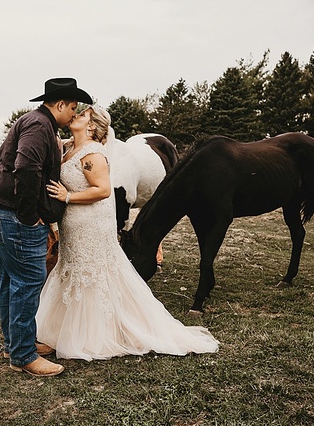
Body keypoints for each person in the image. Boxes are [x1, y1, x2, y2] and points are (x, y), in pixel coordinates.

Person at [39, 105, 220, 360]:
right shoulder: (70, 148)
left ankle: (94, 334)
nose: (75, 115)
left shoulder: (93, 154)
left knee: (91, 272)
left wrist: (67, 196)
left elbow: (103, 190)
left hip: (90, 222)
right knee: (73, 269)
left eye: (82, 114)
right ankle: (63, 330)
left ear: (91, 126)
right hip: (74, 223)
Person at [0, 77, 93, 377]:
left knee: (11, 279)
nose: (73, 113)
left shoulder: (38, 123)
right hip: (13, 215)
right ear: (60, 104)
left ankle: (16, 344)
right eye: (73, 107)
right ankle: (23, 356)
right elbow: (26, 169)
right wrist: (29, 215)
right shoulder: (38, 125)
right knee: (29, 280)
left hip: (2, 211)